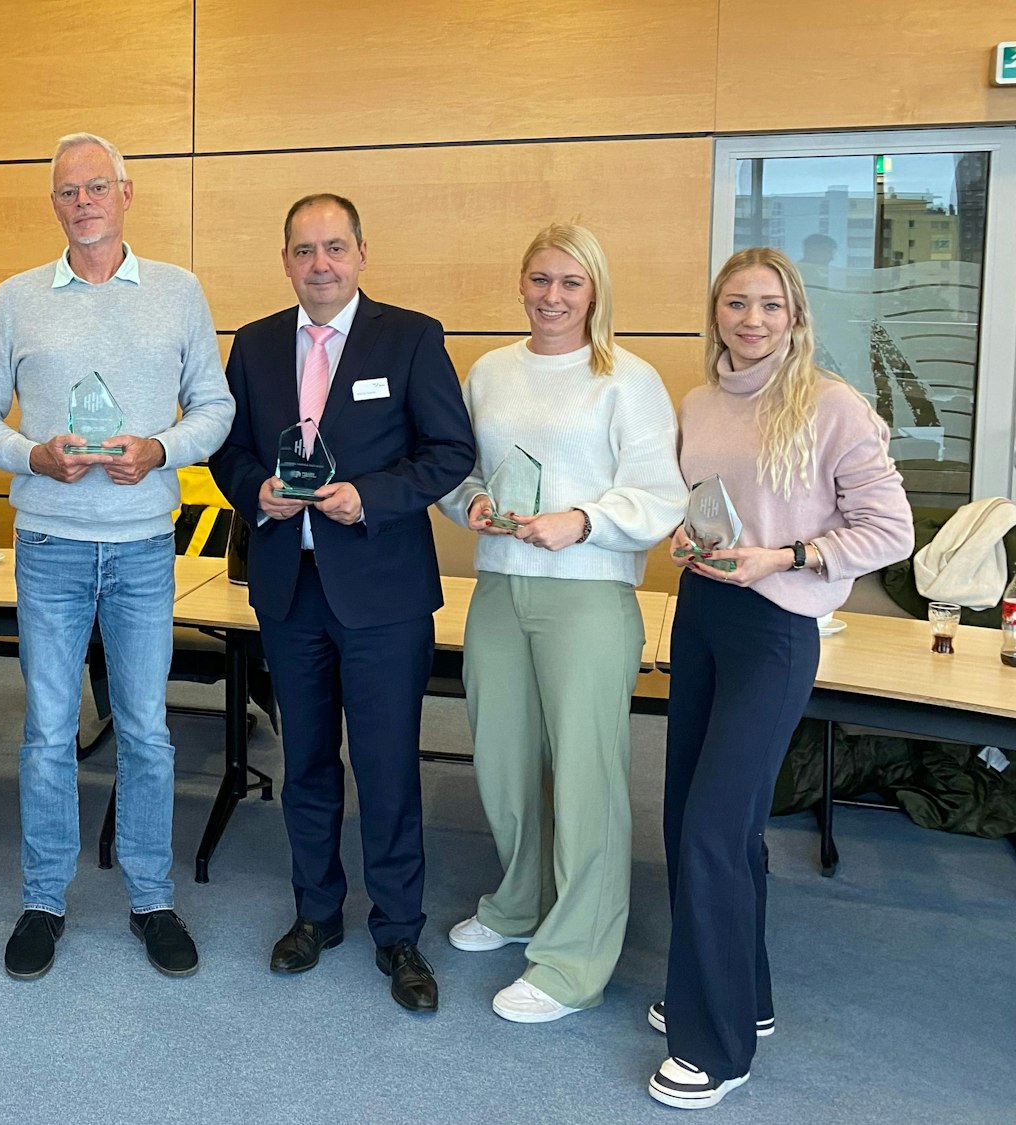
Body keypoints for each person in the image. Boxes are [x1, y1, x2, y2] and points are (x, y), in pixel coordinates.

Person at [0, 132, 234, 980]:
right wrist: (31, 455)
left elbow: (215, 408)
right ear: (55, 205)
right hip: (49, 546)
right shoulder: (16, 298)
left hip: (145, 547)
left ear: (127, 193)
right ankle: (44, 897)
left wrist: (160, 449)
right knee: (46, 732)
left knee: (147, 731)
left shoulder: (180, 294)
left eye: (97, 187)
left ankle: (151, 898)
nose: (83, 202)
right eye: (68, 191)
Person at [648, 247, 911, 1109]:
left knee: (716, 830)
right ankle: (739, 993)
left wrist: (788, 554)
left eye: (769, 305)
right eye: (735, 304)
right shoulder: (698, 400)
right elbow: (703, 507)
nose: (751, 320)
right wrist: (691, 542)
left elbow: (890, 530)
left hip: (778, 629)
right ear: (715, 312)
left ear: (795, 315)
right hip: (702, 614)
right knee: (691, 815)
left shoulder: (834, 406)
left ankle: (715, 1045)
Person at [208, 193, 474, 1012]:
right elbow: (231, 451)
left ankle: (398, 929)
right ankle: (316, 913)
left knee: (388, 768)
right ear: (285, 260)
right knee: (308, 764)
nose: (319, 264)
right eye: (303, 250)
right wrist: (258, 492)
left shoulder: (411, 336)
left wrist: (372, 498)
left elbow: (450, 450)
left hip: (383, 594)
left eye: (334, 248)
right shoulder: (252, 346)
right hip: (292, 591)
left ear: (362, 253)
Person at [435, 223, 687, 1023]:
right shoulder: (491, 370)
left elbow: (660, 495)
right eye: (539, 279)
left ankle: (576, 958)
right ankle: (517, 902)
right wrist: (468, 501)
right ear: (521, 283)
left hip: (587, 595)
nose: (552, 296)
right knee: (504, 762)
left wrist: (581, 520)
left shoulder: (628, 379)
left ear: (595, 291)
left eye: (570, 283)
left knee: (587, 780)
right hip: (502, 588)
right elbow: (459, 466)